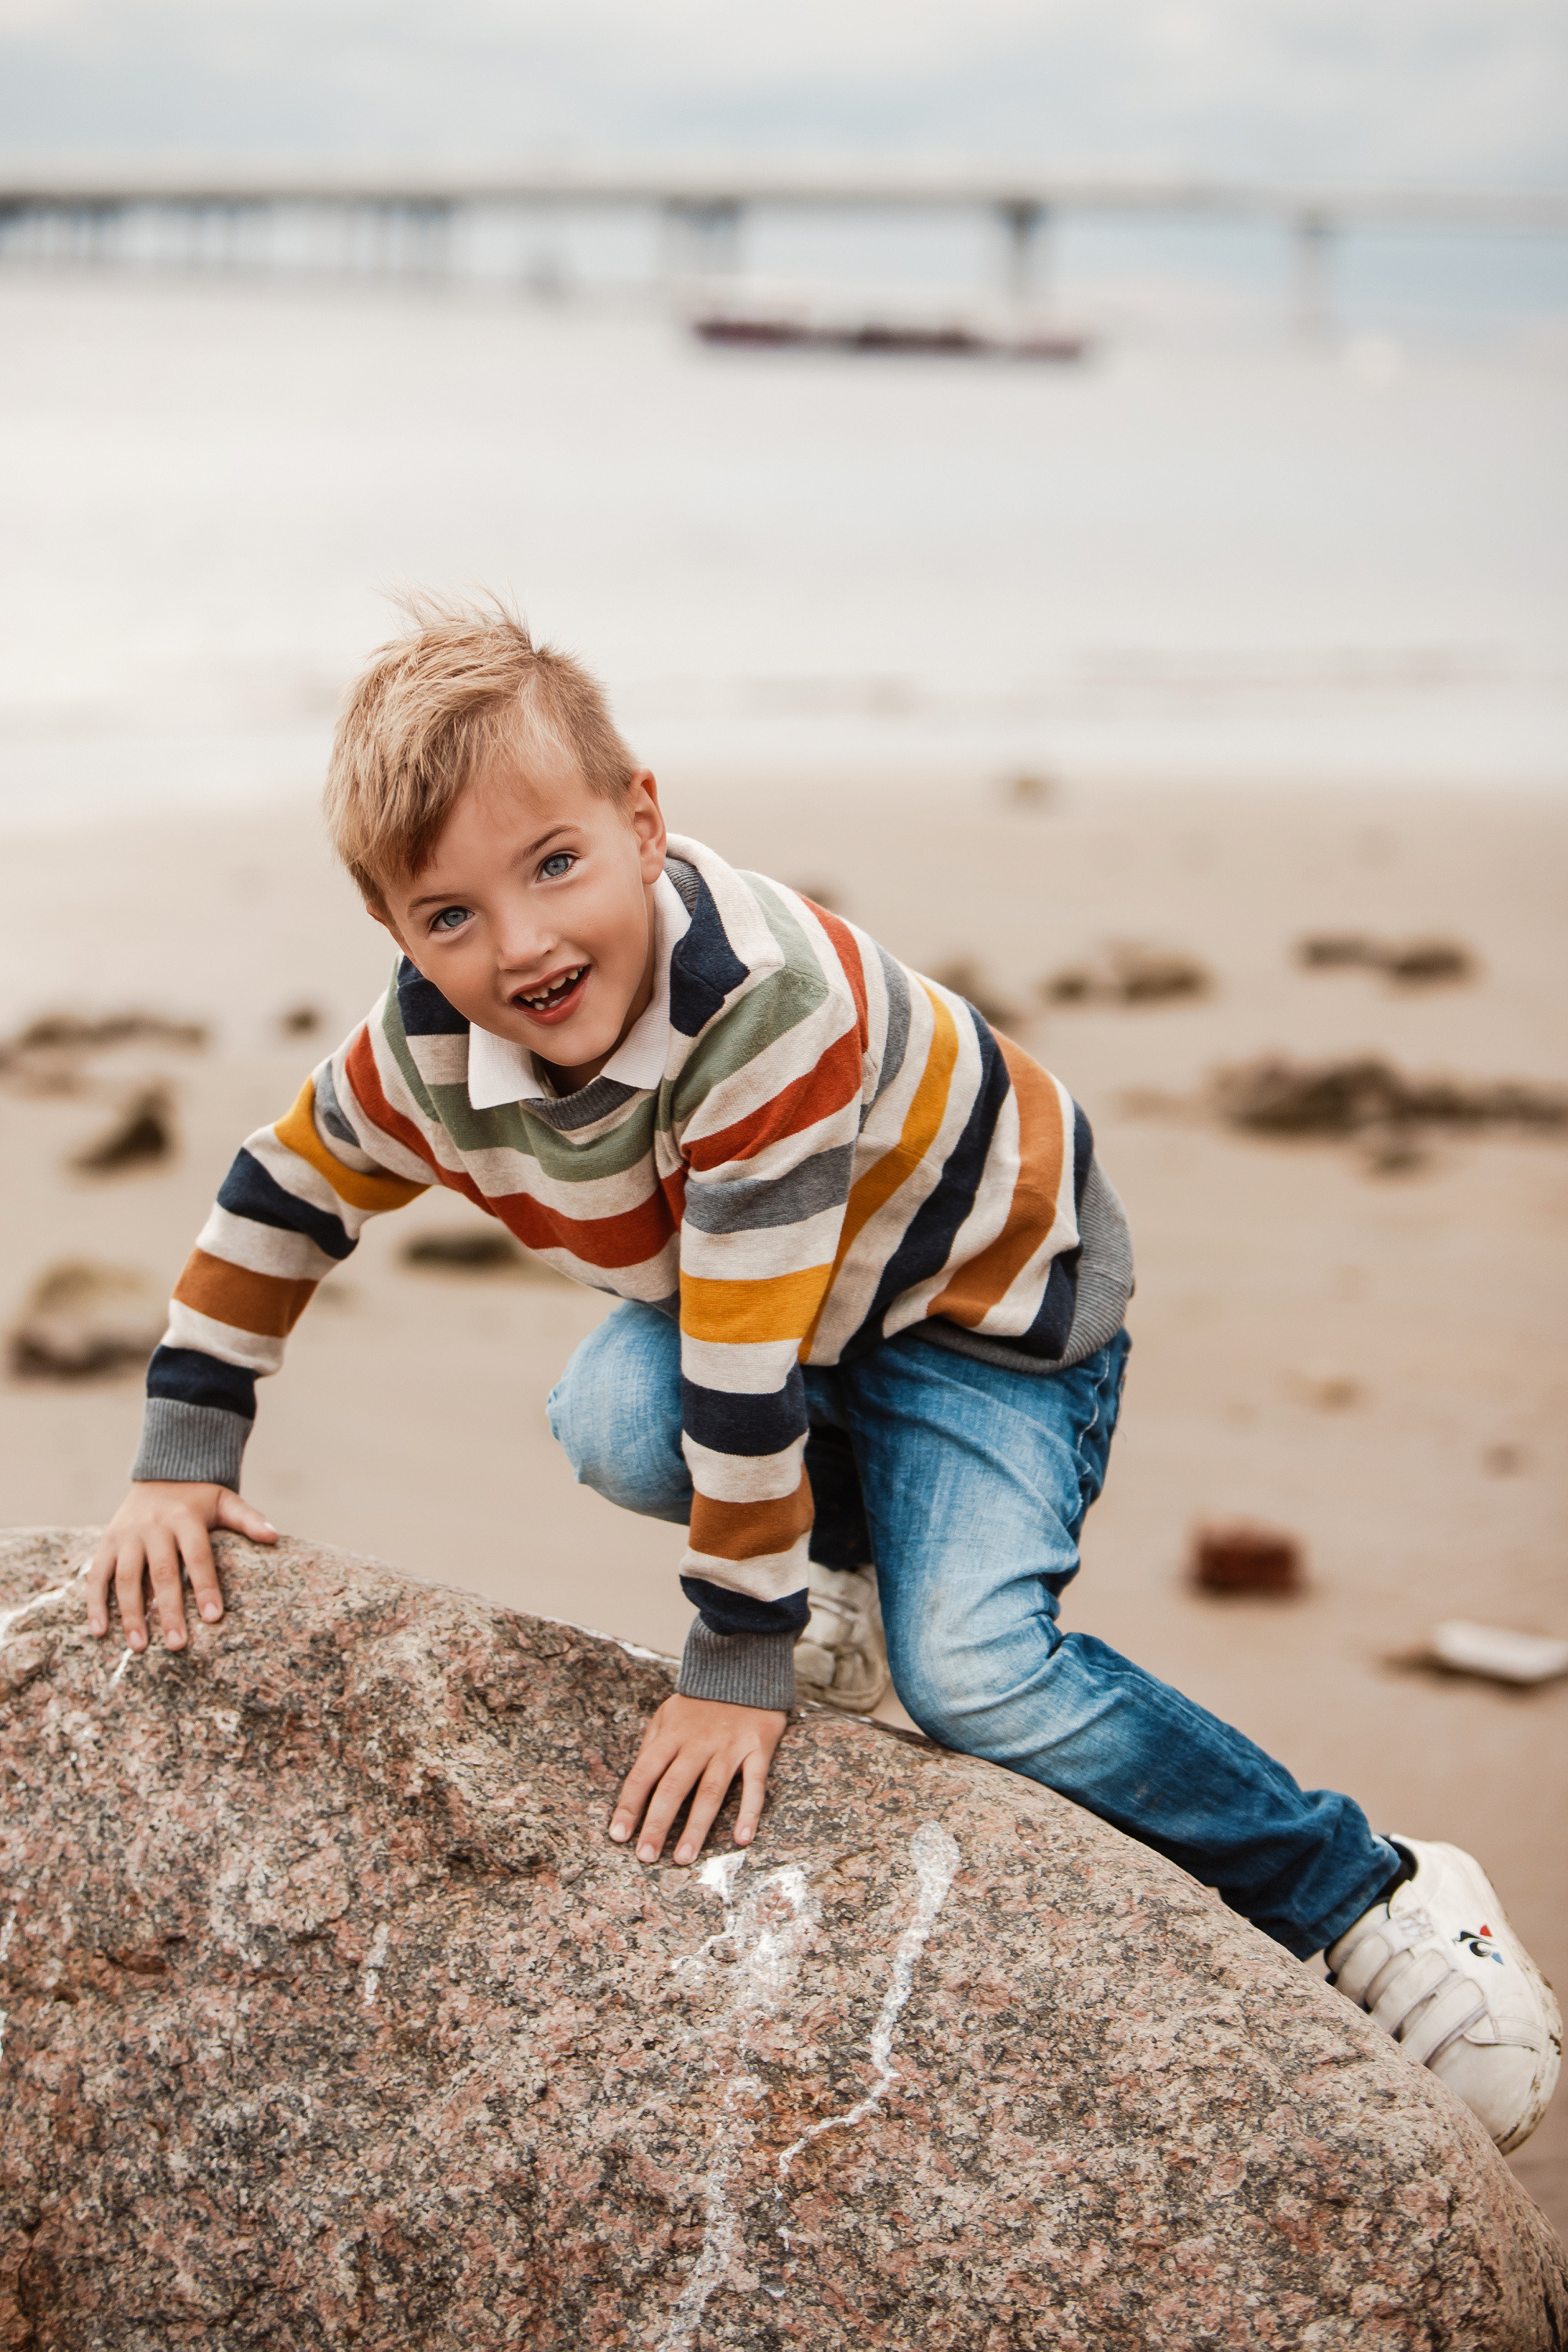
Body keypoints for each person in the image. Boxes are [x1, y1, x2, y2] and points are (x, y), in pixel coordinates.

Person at [83, 602, 1559, 2157]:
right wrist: (183, 1454)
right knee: (604, 1420)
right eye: (447, 917)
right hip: (790, 1309)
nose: (519, 945)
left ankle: (1364, 1888)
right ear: (396, 937)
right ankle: (834, 1556)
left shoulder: (759, 1011)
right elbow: (280, 1194)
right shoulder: (425, 1056)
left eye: (554, 865)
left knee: (975, 1672)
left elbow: (740, 1345)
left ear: (641, 821)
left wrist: (738, 1659)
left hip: (980, 1301)